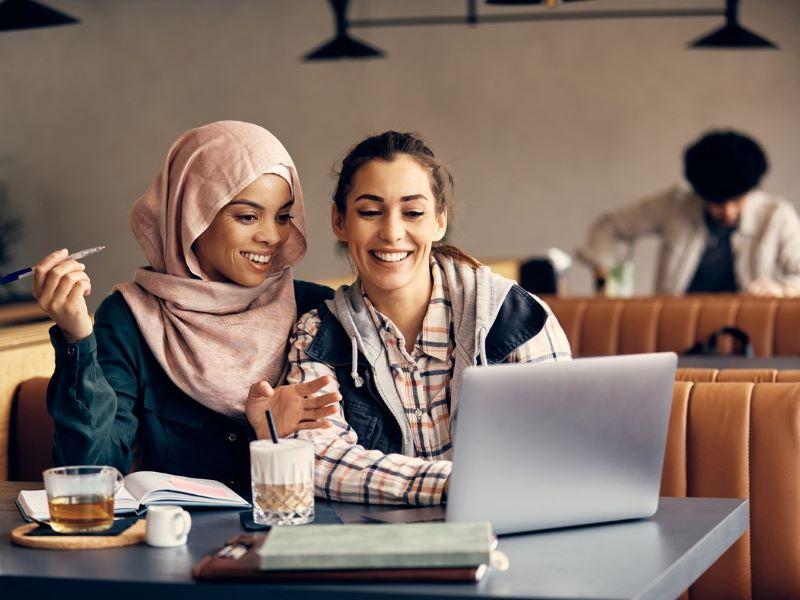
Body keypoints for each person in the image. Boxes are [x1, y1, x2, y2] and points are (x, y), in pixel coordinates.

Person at [246, 131, 572, 505]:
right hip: (381, 551)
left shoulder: (518, 319)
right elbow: (318, 459)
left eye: (413, 212)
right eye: (370, 212)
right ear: (339, 222)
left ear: (438, 222)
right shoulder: (318, 334)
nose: (392, 232)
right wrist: (454, 484)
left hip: (510, 538)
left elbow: (557, 451)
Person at [33, 121, 340, 490]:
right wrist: (76, 336)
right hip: (168, 542)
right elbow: (91, 477)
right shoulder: (130, 318)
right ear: (192, 213)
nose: (272, 236)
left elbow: (347, 461)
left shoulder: (314, 310)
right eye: (247, 216)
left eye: (283, 216)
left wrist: (272, 439)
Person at [578, 130, 800, 296]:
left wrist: (781, 289)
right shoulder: (675, 204)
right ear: (701, 193)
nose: (728, 211)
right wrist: (606, 276)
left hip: (748, 333)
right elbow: (609, 226)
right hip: (679, 328)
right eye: (717, 202)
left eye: (737, 200)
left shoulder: (777, 216)